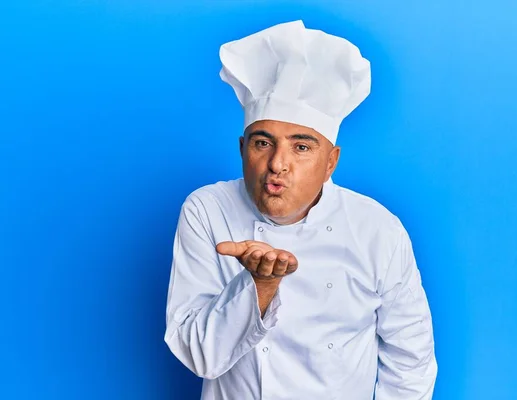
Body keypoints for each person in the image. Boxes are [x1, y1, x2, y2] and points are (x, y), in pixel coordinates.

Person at [164, 20, 437, 400]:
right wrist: (258, 285)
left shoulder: (377, 230)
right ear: (243, 148)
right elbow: (200, 357)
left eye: (302, 147)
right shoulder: (207, 210)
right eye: (263, 142)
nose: (278, 163)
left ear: (331, 163)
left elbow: (411, 361)